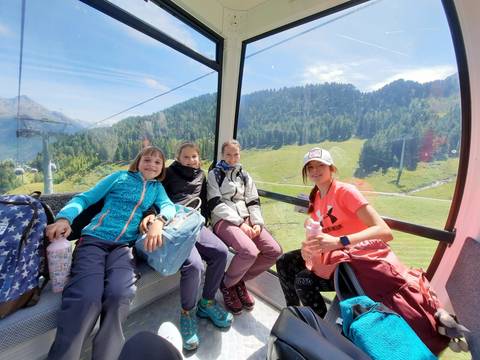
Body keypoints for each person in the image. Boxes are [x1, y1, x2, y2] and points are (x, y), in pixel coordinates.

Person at [46, 146, 176, 360]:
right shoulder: (120, 177)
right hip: (94, 240)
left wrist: (159, 222)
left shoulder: (156, 188)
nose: (151, 164)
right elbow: (85, 198)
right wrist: (64, 218)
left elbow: (168, 206)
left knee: (120, 294)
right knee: (87, 297)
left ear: (162, 168)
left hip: (123, 247)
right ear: (138, 161)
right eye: (147, 159)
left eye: (157, 162)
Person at [276, 147, 393, 317]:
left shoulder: (345, 192)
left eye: (320, 166)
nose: (315, 171)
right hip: (330, 257)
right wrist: (307, 248)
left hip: (354, 262)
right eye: (310, 167)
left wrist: (340, 241)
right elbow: (318, 233)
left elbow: (384, 231)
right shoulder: (315, 198)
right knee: (284, 262)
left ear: (331, 169)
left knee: (304, 281)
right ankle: (293, 314)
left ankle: (322, 330)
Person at [141, 142, 233, 351]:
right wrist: (152, 216)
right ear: (178, 158)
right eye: (186, 157)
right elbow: (156, 199)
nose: (191, 160)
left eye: (194, 156)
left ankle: (207, 303)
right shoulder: (168, 174)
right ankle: (187, 312)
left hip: (195, 222)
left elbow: (203, 199)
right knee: (194, 266)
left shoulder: (200, 175)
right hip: (175, 226)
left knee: (220, 252)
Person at [207, 139, 282, 315]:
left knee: (274, 251)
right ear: (222, 156)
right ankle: (226, 285)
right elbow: (215, 203)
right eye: (228, 155)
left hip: (247, 218)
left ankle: (238, 280)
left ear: (240, 154)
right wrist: (240, 223)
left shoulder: (245, 175)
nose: (232, 158)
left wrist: (256, 223)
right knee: (249, 252)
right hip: (223, 219)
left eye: (236, 154)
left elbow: (253, 201)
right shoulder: (214, 174)